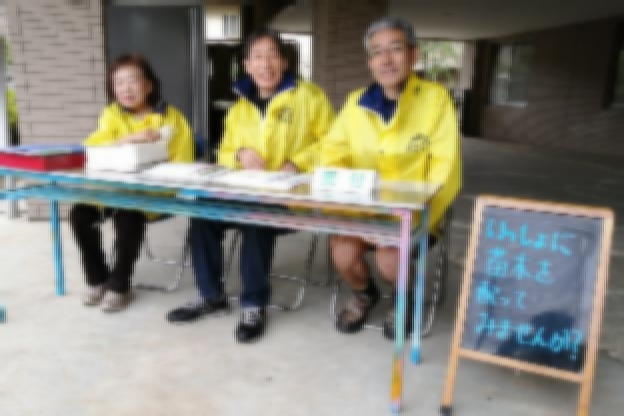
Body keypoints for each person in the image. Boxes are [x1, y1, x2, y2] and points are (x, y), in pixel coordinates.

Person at [166, 29, 334, 343]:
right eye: (257, 57)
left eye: (272, 55)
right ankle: (210, 296)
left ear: (284, 61)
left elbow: (333, 143)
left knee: (256, 217)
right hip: (244, 191)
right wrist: (239, 154)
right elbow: (225, 152)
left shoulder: (310, 97)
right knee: (202, 212)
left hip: (290, 196)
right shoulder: (239, 108)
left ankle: (254, 303)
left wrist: (298, 162)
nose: (265, 64)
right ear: (247, 65)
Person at [320, 17, 461, 340]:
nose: (386, 59)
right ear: (369, 62)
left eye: (395, 49)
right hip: (363, 210)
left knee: (389, 257)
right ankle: (364, 294)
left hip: (415, 213)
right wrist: (345, 200)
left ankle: (403, 299)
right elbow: (332, 152)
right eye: (377, 52)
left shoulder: (435, 100)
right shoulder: (356, 102)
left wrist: (413, 218)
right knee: (342, 253)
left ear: (413, 54)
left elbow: (445, 168)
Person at [70, 54, 194, 312]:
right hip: (112, 189)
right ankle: (97, 278)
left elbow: (183, 163)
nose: (126, 88)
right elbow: (93, 146)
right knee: (80, 214)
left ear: (148, 85)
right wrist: (127, 140)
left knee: (128, 215)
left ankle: (120, 285)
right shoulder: (111, 114)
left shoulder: (171, 117)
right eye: (119, 82)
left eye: (133, 81)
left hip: (154, 192)